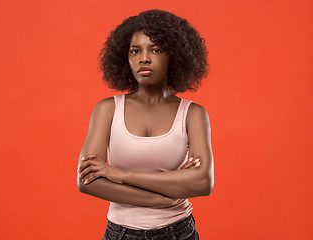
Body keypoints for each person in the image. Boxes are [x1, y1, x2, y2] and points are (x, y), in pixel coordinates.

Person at [77, 9, 214, 240]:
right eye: (135, 51)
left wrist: (121, 175)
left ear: (174, 55)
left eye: (156, 50)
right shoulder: (107, 109)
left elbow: (202, 182)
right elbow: (88, 181)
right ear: (125, 57)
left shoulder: (192, 114)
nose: (144, 58)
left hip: (178, 232)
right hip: (120, 233)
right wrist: (164, 197)